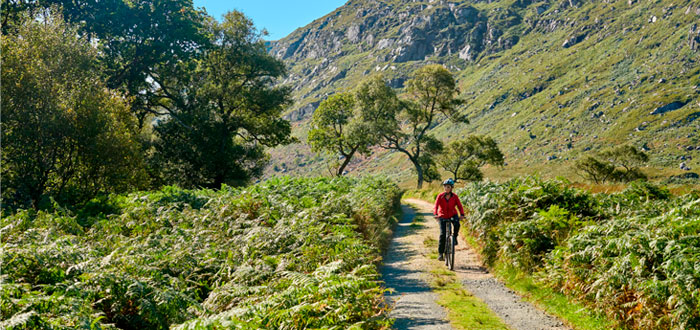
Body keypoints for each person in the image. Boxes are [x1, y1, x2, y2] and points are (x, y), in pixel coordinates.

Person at [433, 178, 465, 261]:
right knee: (443, 234)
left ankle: (454, 237)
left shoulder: (455, 197)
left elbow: (459, 206)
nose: (446, 188)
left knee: (457, 224)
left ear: (451, 188)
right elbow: (436, 206)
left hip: (452, 214)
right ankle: (440, 253)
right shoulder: (440, 196)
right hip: (442, 215)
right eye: (445, 187)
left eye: (448, 187)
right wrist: (436, 214)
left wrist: (462, 214)